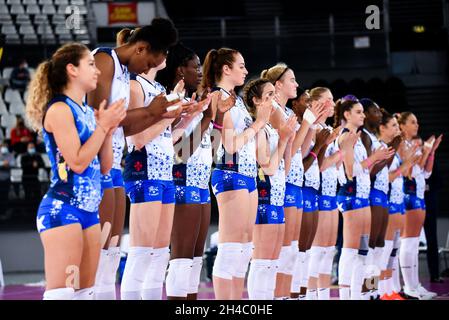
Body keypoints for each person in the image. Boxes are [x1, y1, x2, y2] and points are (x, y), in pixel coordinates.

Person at [87, 18, 180, 300]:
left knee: (112, 252)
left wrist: (158, 114)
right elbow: (100, 117)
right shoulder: (104, 60)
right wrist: (153, 112)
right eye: (151, 61)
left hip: (113, 164)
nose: (148, 69)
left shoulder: (124, 71)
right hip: (94, 164)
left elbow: (126, 126)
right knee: (101, 252)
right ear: (140, 48)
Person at [25, 42, 126, 300]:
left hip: (89, 211)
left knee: (85, 293)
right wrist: (102, 128)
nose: (97, 71)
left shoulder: (89, 113)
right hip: (63, 209)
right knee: (63, 293)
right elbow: (78, 163)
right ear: (72, 69)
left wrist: (109, 131)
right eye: (90, 65)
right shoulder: (59, 110)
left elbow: (104, 167)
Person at [156, 42, 218, 300]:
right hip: (181, 182)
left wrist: (213, 118)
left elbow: (210, 148)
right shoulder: (174, 101)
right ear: (181, 70)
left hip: (201, 184)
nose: (200, 73)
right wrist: (203, 119)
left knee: (195, 260)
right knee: (181, 259)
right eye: (195, 67)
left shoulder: (195, 102)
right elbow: (180, 152)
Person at [205, 48, 267, 300]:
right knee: (231, 247)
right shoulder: (218, 97)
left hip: (248, 173)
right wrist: (258, 123)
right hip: (229, 171)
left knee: (244, 247)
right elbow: (229, 145)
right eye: (240, 66)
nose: (245, 70)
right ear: (226, 69)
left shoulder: (237, 99)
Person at [260, 64, 324, 300]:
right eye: (292, 80)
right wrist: (307, 123)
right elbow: (289, 147)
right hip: (281, 182)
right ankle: (278, 296)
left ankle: (288, 296)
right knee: (283, 249)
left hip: (293, 181)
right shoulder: (275, 109)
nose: (297, 85)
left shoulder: (287, 112)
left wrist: (311, 124)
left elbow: (300, 151)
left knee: (291, 249)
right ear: (278, 84)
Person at [334, 97, 392, 300]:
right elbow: (350, 172)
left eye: (362, 111)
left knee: (365, 250)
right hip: (350, 197)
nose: (363, 115)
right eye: (358, 112)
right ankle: (347, 296)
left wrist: (374, 159)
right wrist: (374, 159)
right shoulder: (345, 137)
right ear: (347, 114)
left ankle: (366, 293)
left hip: (363, 196)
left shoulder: (356, 137)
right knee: (350, 251)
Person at [243, 78, 296, 300]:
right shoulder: (258, 129)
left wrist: (288, 138)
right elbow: (269, 167)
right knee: (263, 261)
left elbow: (286, 167)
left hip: (277, 195)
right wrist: (284, 140)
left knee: (274, 260)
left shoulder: (272, 130)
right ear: (256, 101)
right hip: (264, 194)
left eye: (275, 95)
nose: (274, 100)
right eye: (269, 96)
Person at [398, 111, 442, 299]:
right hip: (407, 194)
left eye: (417, 122)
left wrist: (430, 152)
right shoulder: (401, 144)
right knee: (407, 243)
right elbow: (407, 172)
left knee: (414, 243)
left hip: (418, 193)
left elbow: (425, 173)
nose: (417, 125)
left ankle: (415, 285)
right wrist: (421, 152)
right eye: (413, 122)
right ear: (402, 126)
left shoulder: (413, 144)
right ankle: (409, 287)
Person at [359, 98, 400, 299]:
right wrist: (383, 157)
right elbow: (371, 170)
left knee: (379, 245)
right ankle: (366, 292)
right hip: (373, 192)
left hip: (383, 193)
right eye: (374, 111)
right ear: (365, 114)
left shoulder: (373, 138)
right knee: (371, 244)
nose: (379, 114)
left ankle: (373, 291)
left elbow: (381, 164)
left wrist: (392, 149)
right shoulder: (365, 137)